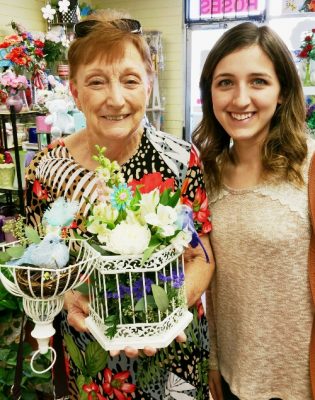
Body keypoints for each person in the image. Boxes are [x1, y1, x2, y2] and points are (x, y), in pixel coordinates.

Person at [25, 9, 214, 400]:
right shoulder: (46, 169)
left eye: (130, 80)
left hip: (175, 352)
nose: (115, 98)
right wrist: (67, 299)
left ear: (148, 84)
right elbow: (37, 261)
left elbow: (202, 257)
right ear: (75, 91)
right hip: (93, 356)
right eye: (96, 81)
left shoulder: (180, 161)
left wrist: (155, 315)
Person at [193, 21, 315, 400]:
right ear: (210, 92)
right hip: (233, 377)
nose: (240, 99)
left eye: (258, 81)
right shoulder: (204, 176)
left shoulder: (309, 168)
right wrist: (212, 360)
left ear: (282, 92)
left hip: (300, 383)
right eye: (225, 82)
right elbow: (211, 283)